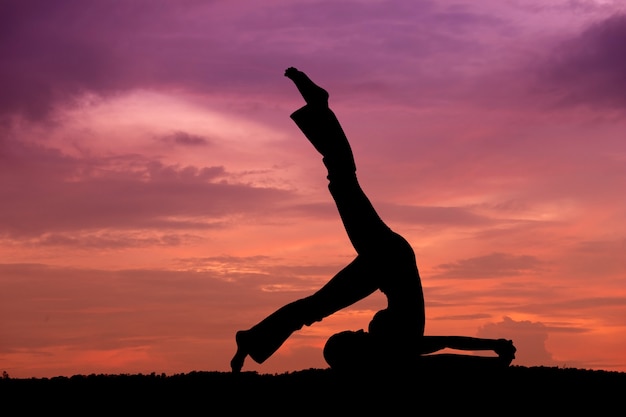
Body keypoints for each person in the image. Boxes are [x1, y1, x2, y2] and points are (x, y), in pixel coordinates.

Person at [230, 67, 516, 374]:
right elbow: (445, 345)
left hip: (383, 264)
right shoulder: (395, 349)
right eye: (350, 336)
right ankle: (320, 107)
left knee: (316, 304)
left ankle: (252, 340)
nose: (357, 329)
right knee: (342, 180)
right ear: (357, 351)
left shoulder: (394, 352)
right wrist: (494, 348)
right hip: (390, 258)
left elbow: (443, 354)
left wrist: (494, 353)